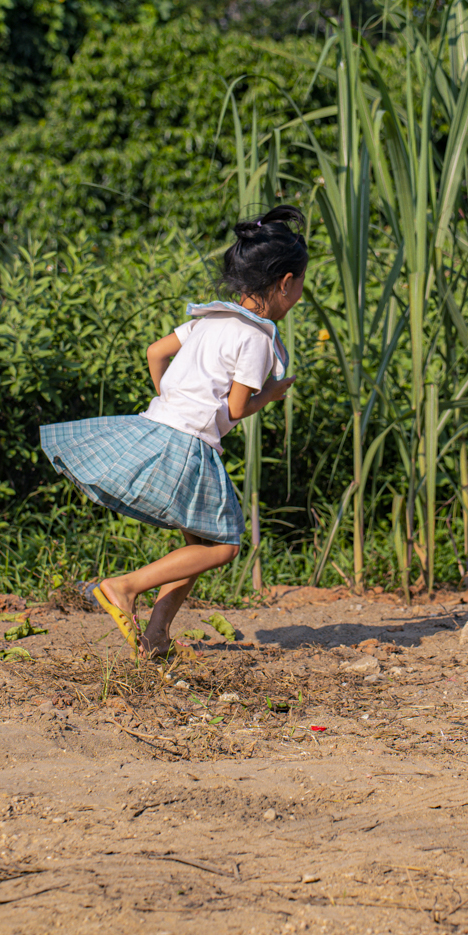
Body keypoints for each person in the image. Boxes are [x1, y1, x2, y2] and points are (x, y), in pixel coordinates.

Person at [40, 207, 306, 658]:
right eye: (300, 283)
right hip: (189, 444)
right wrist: (272, 394)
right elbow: (239, 408)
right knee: (224, 546)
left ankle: (157, 633)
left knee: (197, 543)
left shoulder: (211, 319)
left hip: (159, 426)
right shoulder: (259, 339)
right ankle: (123, 586)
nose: (300, 292)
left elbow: (155, 352)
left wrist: (174, 401)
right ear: (284, 282)